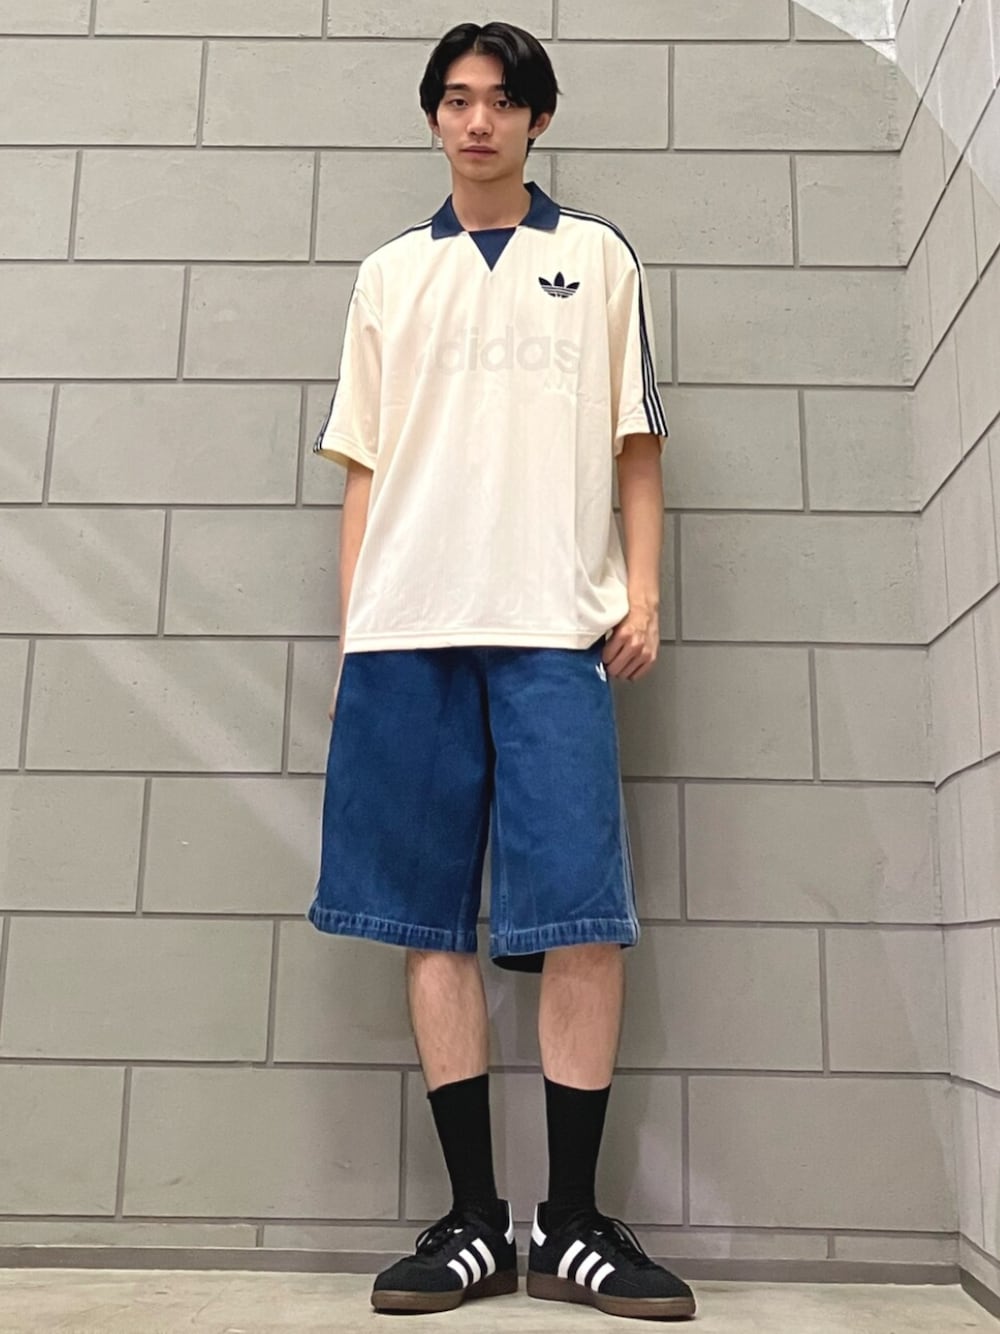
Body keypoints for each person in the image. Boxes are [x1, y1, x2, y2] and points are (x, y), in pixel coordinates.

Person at [308, 19, 696, 1323]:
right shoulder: (387, 276)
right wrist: (356, 628)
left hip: (552, 629)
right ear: (434, 118)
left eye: (503, 100)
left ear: (537, 118)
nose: (479, 121)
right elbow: (362, 468)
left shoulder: (598, 258)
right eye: (458, 99)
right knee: (427, 922)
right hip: (406, 633)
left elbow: (637, 445)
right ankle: (476, 1221)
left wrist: (644, 591)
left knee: (581, 914)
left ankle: (571, 1224)